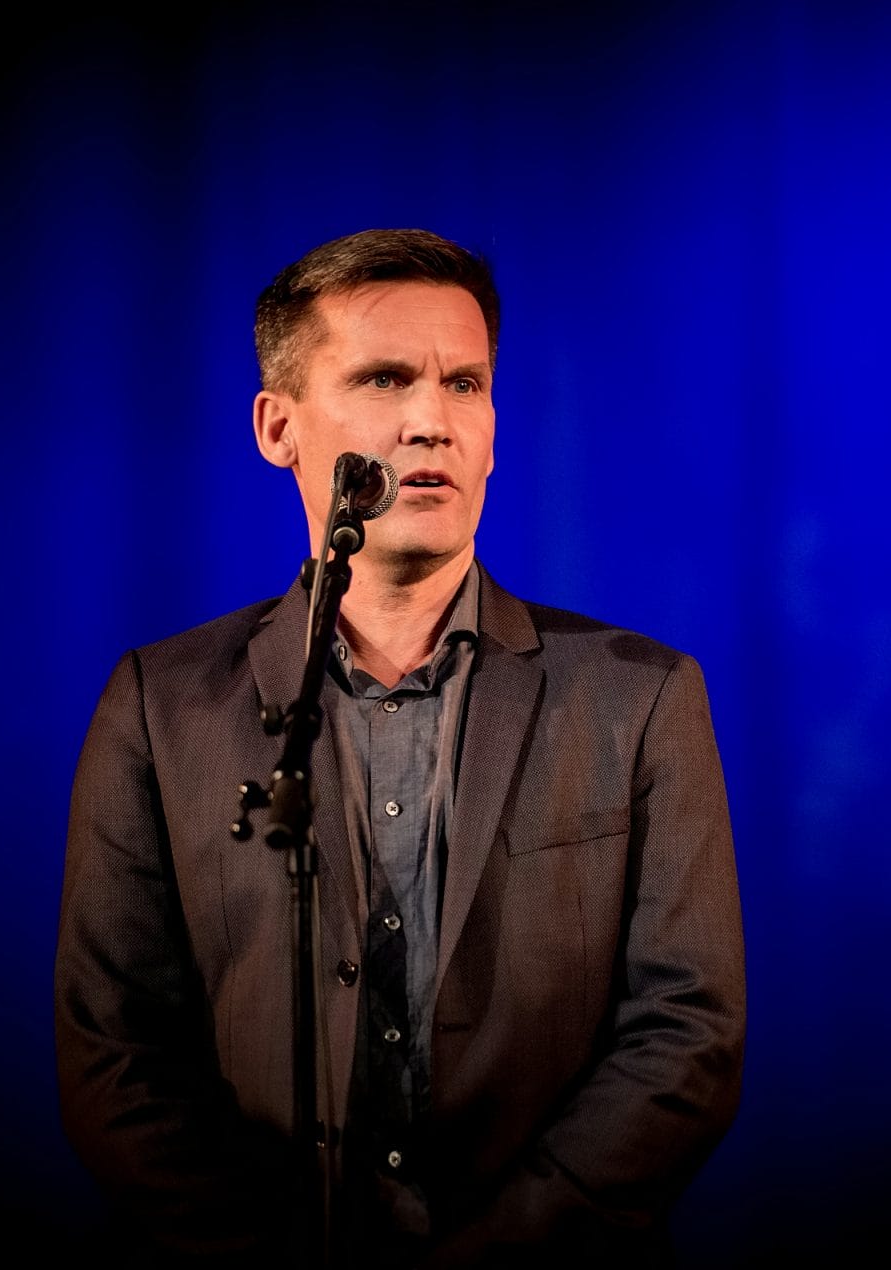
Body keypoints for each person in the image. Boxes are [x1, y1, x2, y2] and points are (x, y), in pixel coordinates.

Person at [54, 228, 746, 1268]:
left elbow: (687, 1032)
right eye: (384, 379)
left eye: (465, 384)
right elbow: (114, 1049)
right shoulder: (161, 706)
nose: (433, 420)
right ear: (277, 426)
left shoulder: (638, 697)